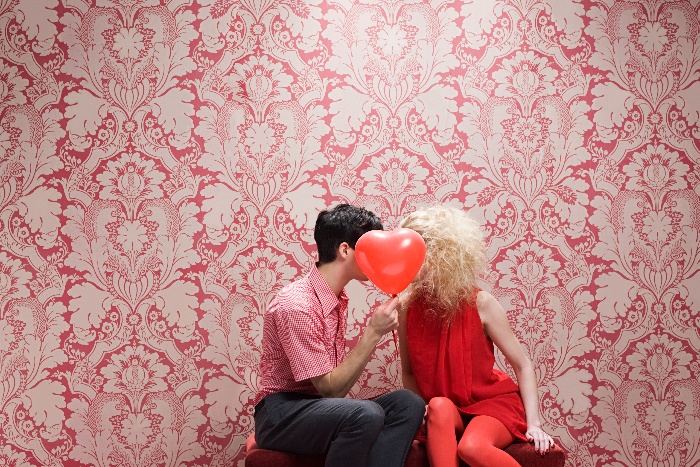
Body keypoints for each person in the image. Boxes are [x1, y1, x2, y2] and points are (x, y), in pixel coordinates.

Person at [253, 204, 425, 467]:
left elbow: (330, 397)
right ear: (345, 250)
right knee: (365, 414)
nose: (378, 258)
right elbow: (331, 389)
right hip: (280, 415)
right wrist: (374, 331)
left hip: (318, 408)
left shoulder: (336, 299)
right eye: (371, 250)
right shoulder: (296, 304)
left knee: (408, 404)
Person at [397, 205, 555, 467]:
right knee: (437, 405)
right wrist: (421, 413)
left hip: (492, 405)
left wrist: (534, 423)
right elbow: (409, 373)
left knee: (471, 448)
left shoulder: (481, 303)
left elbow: (522, 364)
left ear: (443, 254)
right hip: (447, 412)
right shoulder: (406, 308)